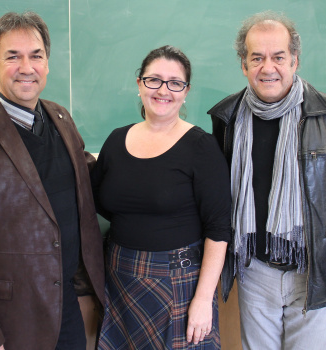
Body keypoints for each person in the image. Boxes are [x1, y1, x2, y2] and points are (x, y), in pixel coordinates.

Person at [208, 11, 326, 350]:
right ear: (244, 65)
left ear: (295, 60)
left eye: (278, 57)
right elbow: (216, 196)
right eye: (256, 58)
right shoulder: (226, 118)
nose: (267, 68)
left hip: (315, 270)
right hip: (254, 270)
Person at [0, 12, 104, 350]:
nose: (27, 67)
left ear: (47, 64)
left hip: (64, 305)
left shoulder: (59, 118)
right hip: (8, 322)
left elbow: (88, 180)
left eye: (36, 55)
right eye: (13, 56)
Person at [91, 45, 231, 349]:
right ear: (140, 84)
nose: (163, 90)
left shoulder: (201, 147)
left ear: (186, 91)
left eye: (175, 82)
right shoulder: (115, 141)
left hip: (178, 282)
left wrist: (204, 299)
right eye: (154, 80)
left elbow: (219, 229)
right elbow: (100, 201)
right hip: (120, 279)